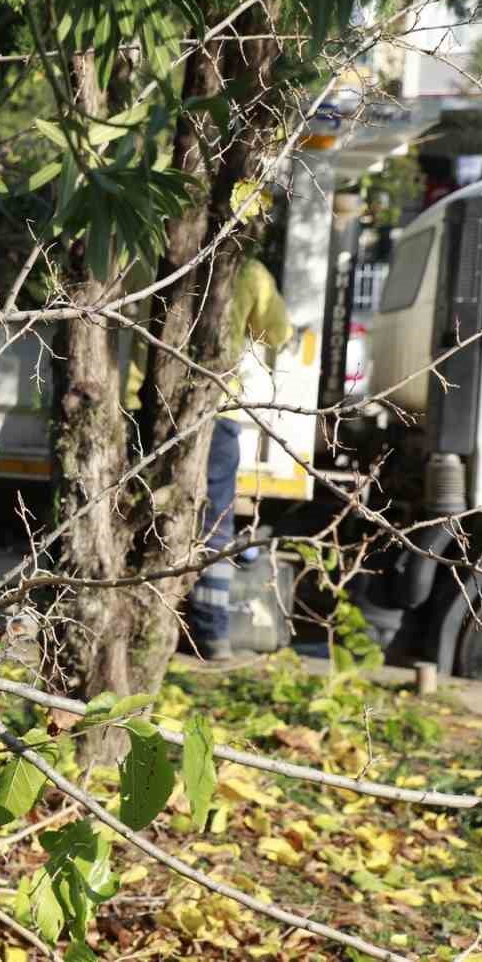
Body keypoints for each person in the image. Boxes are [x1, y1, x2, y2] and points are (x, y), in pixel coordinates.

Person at [188, 256, 293, 661]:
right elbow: (277, 333)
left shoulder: (158, 253)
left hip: (153, 406)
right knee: (215, 526)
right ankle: (212, 636)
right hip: (220, 411)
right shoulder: (248, 271)